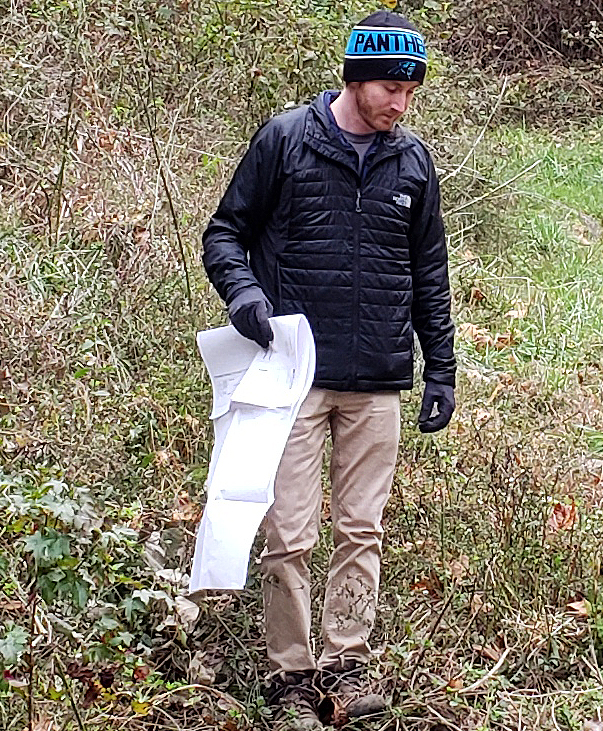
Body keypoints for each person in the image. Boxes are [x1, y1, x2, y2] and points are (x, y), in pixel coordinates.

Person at [201, 10, 456, 730]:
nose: (399, 106)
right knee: (289, 533)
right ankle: (289, 675)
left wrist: (441, 369)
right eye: (388, 89)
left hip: (377, 378)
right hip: (293, 379)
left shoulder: (413, 163)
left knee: (361, 528)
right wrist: (245, 296)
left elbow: (429, 272)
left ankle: (346, 662)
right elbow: (224, 234)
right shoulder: (285, 140)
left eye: (410, 93)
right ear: (354, 76)